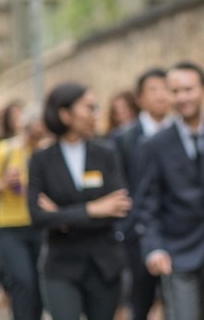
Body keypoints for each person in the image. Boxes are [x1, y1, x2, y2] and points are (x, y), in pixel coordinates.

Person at [28, 82, 132, 320]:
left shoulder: (106, 152)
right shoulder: (41, 159)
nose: (95, 114)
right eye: (89, 108)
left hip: (104, 265)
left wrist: (62, 217)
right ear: (65, 114)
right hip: (61, 265)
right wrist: (93, 209)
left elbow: (120, 207)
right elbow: (37, 216)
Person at [138, 61, 204, 320]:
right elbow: (148, 202)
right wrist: (155, 247)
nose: (182, 97)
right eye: (175, 91)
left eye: (188, 89)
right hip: (177, 250)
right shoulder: (156, 144)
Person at [113, 67, 171, 320]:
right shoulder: (124, 139)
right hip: (136, 235)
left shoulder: (180, 135)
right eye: (153, 89)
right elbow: (120, 184)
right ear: (140, 98)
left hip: (178, 234)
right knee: (140, 301)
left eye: (166, 89)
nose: (161, 96)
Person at [0, 105, 47, 320]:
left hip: (41, 225)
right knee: (23, 281)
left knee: (40, 285)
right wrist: (4, 183)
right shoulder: (5, 150)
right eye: (35, 130)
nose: (39, 135)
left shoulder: (46, 151)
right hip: (9, 227)